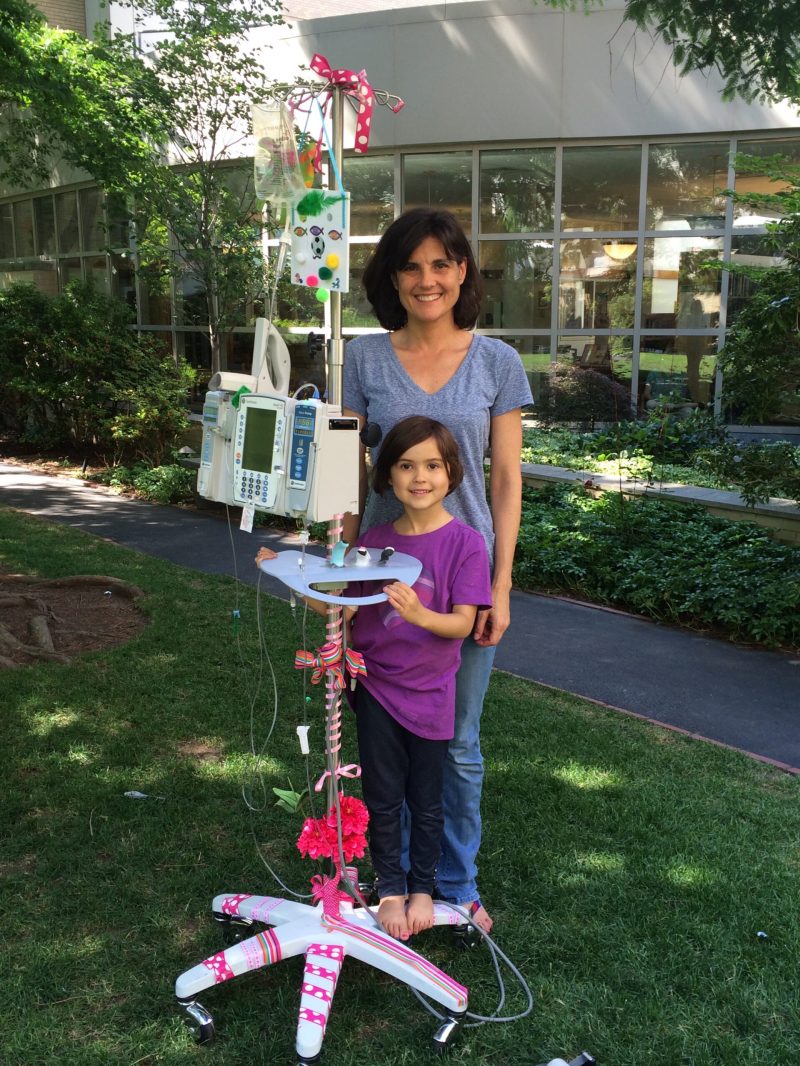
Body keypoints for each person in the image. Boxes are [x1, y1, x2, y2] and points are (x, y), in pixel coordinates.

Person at [342, 207, 533, 932]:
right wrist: (339, 576)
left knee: (456, 743)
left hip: (464, 578)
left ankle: (456, 882)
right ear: (393, 276)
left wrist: (502, 588)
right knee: (383, 739)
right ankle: (397, 877)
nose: (428, 279)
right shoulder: (364, 358)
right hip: (378, 580)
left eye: (442, 264)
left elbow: (508, 481)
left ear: (462, 273)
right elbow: (345, 475)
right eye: (412, 266)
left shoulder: (497, 363)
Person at [257, 416, 492, 942]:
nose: (419, 477)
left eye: (432, 465)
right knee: (384, 794)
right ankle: (390, 887)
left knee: (427, 798)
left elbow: (461, 623)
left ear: (452, 473)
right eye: (406, 465)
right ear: (387, 476)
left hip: (431, 695)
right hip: (378, 689)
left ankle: (425, 889)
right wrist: (290, 574)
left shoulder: (466, 544)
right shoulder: (376, 543)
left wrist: (419, 615)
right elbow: (342, 608)